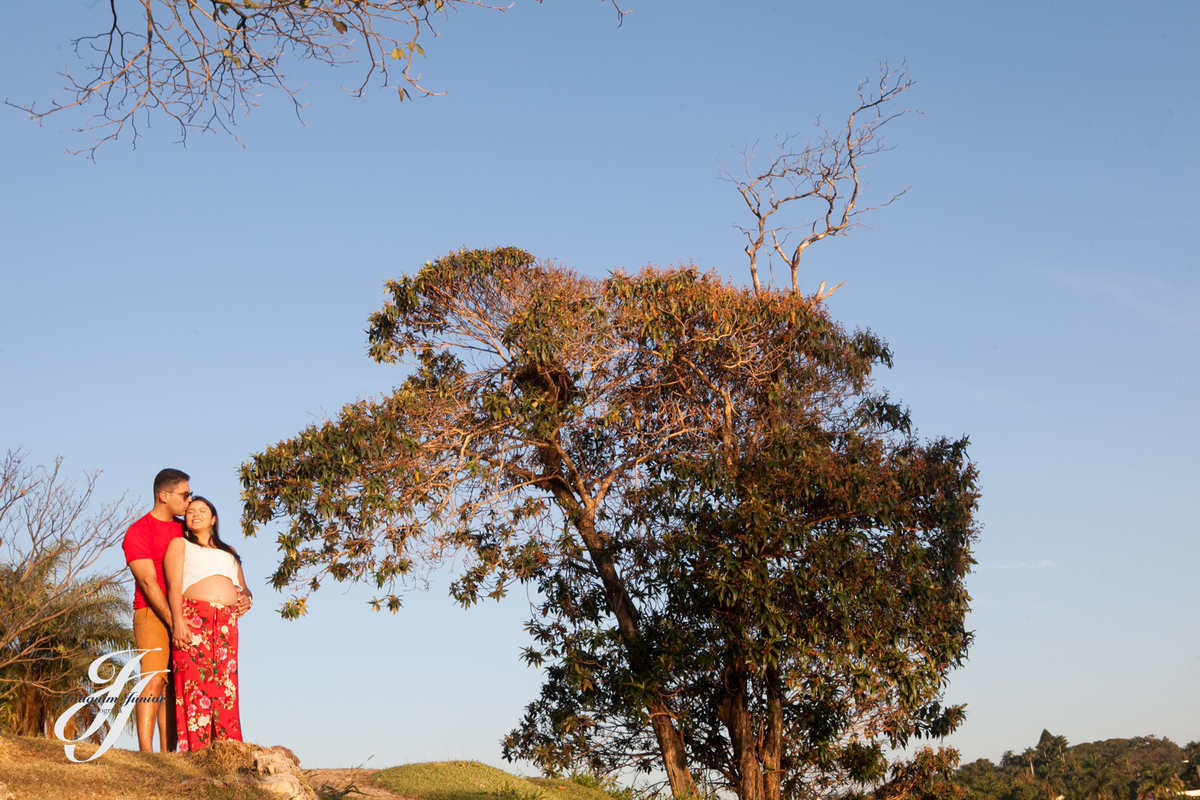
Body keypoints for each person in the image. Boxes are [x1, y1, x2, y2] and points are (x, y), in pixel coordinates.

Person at [164, 496, 252, 752]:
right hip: (193, 617)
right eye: (190, 511)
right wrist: (177, 621)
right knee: (194, 685)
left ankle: (230, 751)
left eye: (202, 510)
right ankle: (196, 752)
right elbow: (173, 586)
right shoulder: (179, 545)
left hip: (226, 621)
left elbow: (244, 588)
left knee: (226, 687)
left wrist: (247, 597)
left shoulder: (230, 552)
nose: (195, 514)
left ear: (213, 519)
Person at [122, 468, 190, 753]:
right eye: (185, 495)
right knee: (154, 678)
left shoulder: (186, 529)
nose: (189, 500)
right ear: (164, 496)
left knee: (176, 686)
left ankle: (168, 755)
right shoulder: (138, 531)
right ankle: (147, 755)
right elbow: (149, 583)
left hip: (185, 614)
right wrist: (173, 621)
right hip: (151, 613)